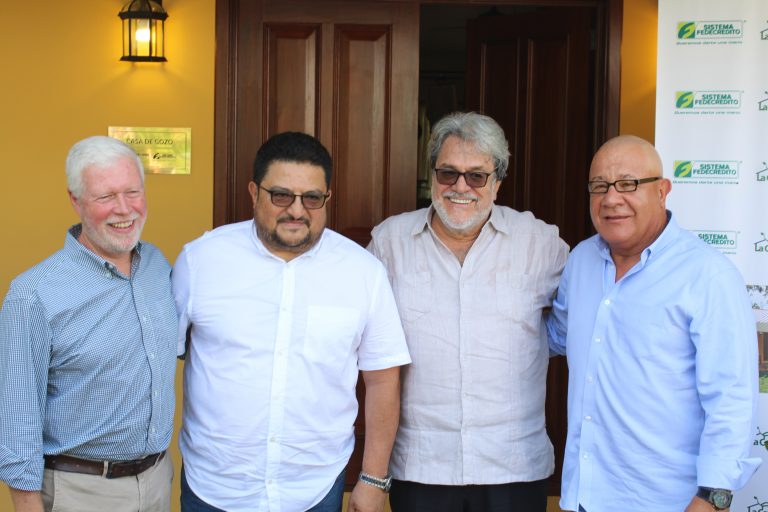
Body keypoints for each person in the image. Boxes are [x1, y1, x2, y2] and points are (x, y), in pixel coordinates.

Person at [172, 131, 411, 512]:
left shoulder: (364, 273)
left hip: (315, 487)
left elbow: (382, 379)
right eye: (281, 195)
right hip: (215, 486)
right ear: (254, 193)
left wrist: (373, 479)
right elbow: (161, 357)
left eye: (312, 198)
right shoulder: (200, 261)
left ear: (327, 197)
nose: (297, 211)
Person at [546, 135, 761, 512]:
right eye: (599, 185)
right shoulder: (580, 261)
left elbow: (731, 399)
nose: (611, 198)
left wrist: (713, 498)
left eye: (628, 183)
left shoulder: (708, 275)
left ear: (662, 191)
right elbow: (554, 337)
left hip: (668, 502)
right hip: (584, 497)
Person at [368, 111, 569, 512]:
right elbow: (363, 340)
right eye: (448, 173)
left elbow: (576, 325)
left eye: (476, 176)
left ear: (497, 182)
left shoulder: (540, 243)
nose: (461, 187)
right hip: (421, 467)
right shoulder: (390, 242)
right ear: (432, 176)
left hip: (513, 465)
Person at [0, 136, 178, 512]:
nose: (124, 209)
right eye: (105, 196)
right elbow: (17, 418)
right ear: (75, 200)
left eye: (133, 192)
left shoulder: (157, 266)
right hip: (79, 491)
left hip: (158, 481)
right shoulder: (33, 295)